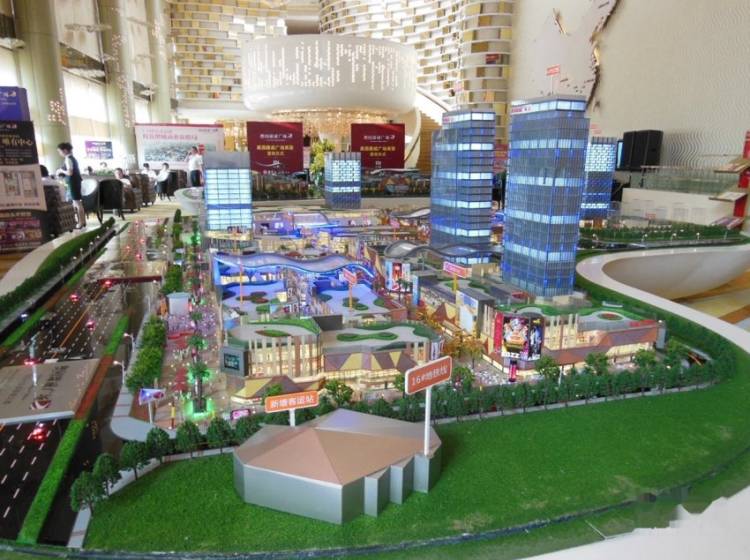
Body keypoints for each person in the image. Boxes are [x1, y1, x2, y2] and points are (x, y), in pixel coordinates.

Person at [57, 142, 86, 228]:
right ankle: (82, 221)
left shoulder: (68, 159)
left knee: (76, 203)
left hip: (73, 182)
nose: (59, 153)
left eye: (60, 151)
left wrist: (61, 171)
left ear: (65, 150)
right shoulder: (72, 158)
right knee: (78, 203)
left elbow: (70, 172)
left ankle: (80, 222)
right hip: (75, 182)